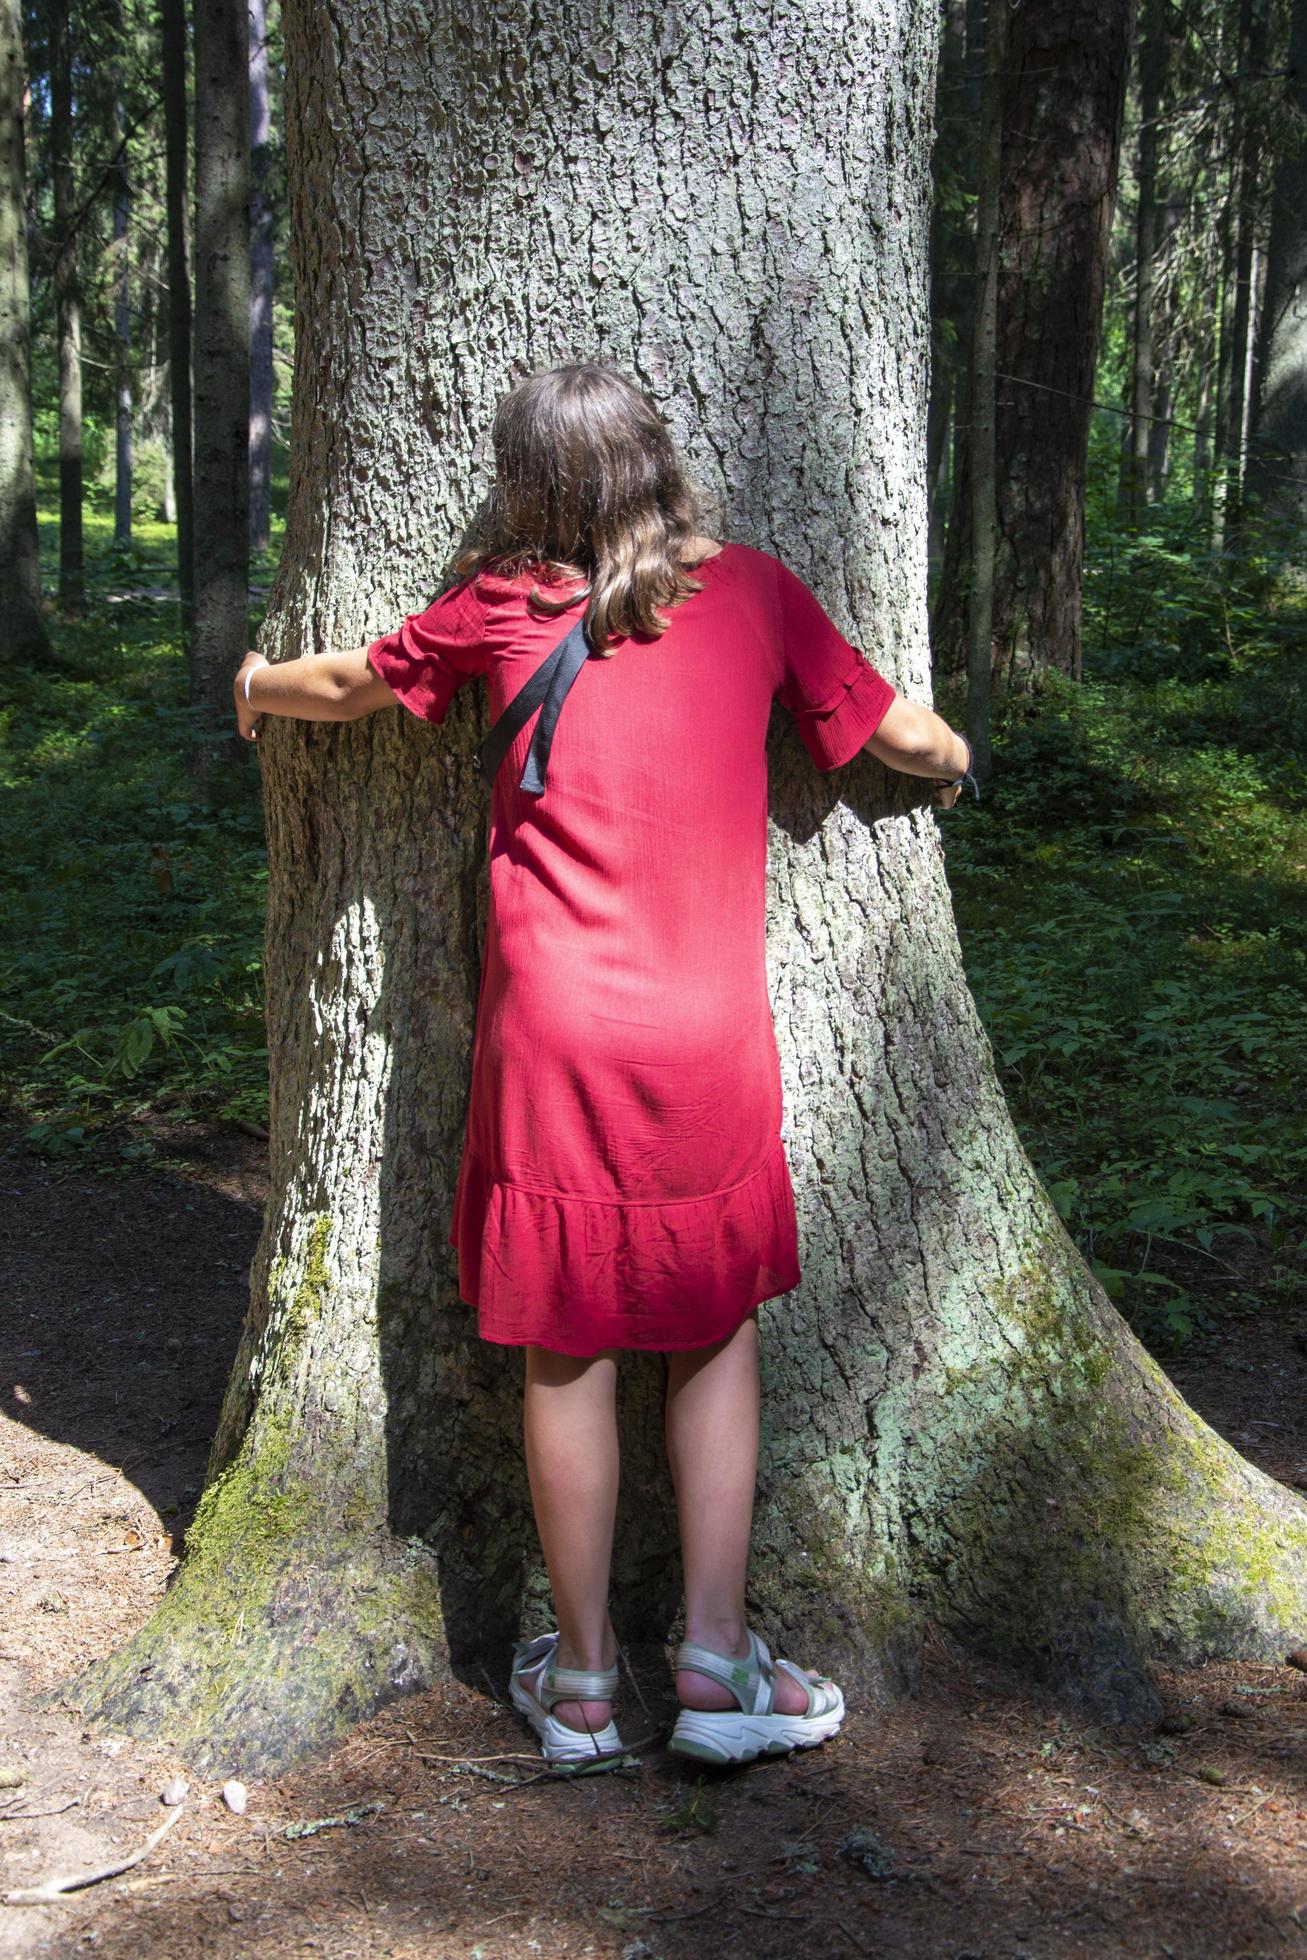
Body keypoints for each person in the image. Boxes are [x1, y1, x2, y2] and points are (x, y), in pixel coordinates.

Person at [233, 363, 973, 1770]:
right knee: (712, 1331)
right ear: (657, 465)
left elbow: (349, 682)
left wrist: (260, 684)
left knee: (563, 1346)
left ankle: (578, 1689)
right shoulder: (750, 595)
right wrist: (954, 761)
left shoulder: (499, 607)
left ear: (530, 484)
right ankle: (711, 1664)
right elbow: (896, 733)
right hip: (706, 1042)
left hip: (552, 1038)